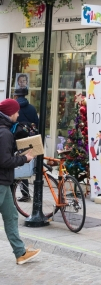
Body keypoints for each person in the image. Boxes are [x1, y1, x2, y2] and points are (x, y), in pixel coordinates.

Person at [0, 98, 40, 265]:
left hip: (4, 181)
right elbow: (4, 161)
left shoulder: (5, 131)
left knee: (11, 216)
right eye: (16, 112)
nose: (18, 114)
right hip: (1, 181)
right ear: (10, 113)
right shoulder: (5, 133)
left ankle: (20, 252)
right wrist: (24, 159)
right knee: (10, 217)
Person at [14, 83, 39, 203]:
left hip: (17, 138)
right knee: (27, 163)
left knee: (18, 164)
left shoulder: (15, 108)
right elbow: (36, 123)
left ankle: (23, 193)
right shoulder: (32, 108)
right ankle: (28, 192)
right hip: (30, 139)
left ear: (16, 95)